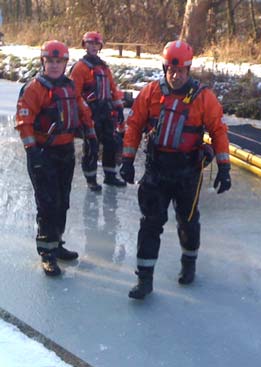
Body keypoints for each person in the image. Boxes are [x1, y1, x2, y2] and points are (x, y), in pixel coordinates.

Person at [119, 40, 232, 299]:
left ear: (188, 70)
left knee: (188, 221)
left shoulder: (204, 97)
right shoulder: (150, 93)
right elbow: (134, 125)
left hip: (187, 173)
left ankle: (188, 263)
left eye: (180, 70)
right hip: (157, 170)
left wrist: (224, 167)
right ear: (164, 68)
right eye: (171, 69)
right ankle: (144, 280)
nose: (175, 75)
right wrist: (127, 159)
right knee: (150, 224)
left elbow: (218, 131)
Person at [16, 40, 98, 276]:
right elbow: (24, 121)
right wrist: (33, 152)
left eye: (58, 61)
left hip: (65, 152)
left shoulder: (70, 87)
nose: (54, 66)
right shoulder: (34, 89)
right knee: (47, 203)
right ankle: (47, 252)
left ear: (65, 63)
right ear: (43, 62)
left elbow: (84, 111)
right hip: (43, 153)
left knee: (62, 201)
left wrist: (91, 137)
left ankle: (57, 243)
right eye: (50, 61)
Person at [69, 31, 126, 192]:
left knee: (111, 143)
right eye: (90, 44)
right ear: (84, 45)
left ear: (100, 46)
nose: (93, 47)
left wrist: (119, 107)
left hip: (105, 112)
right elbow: (75, 94)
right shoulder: (80, 68)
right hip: (89, 113)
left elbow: (113, 89)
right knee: (92, 146)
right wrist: (84, 114)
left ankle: (110, 175)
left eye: (96, 44)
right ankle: (91, 179)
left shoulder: (103, 67)